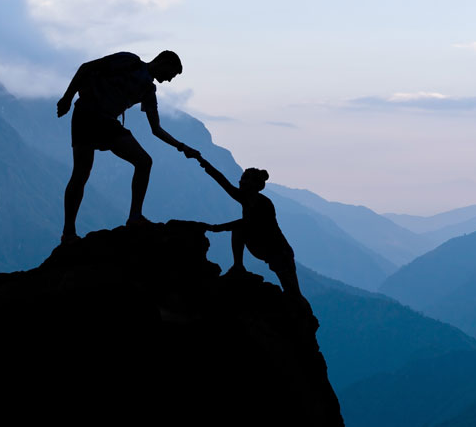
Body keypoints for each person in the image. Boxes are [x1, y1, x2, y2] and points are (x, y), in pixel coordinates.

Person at [57, 51, 198, 243]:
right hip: (92, 114)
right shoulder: (129, 61)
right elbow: (86, 67)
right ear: (163, 61)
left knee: (82, 174)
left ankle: (69, 234)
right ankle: (133, 217)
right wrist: (66, 98)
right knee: (139, 163)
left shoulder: (148, 90)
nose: (169, 81)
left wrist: (182, 147)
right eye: (170, 74)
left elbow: (156, 129)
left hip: (88, 115)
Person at [195, 156, 302, 299]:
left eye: (245, 179)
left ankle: (298, 311)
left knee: (293, 292)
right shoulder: (246, 197)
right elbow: (221, 180)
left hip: (279, 251)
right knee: (239, 231)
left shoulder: (264, 204)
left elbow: (245, 223)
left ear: (253, 184)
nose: (240, 181)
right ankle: (238, 266)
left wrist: (215, 228)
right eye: (242, 178)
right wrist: (202, 161)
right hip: (265, 247)